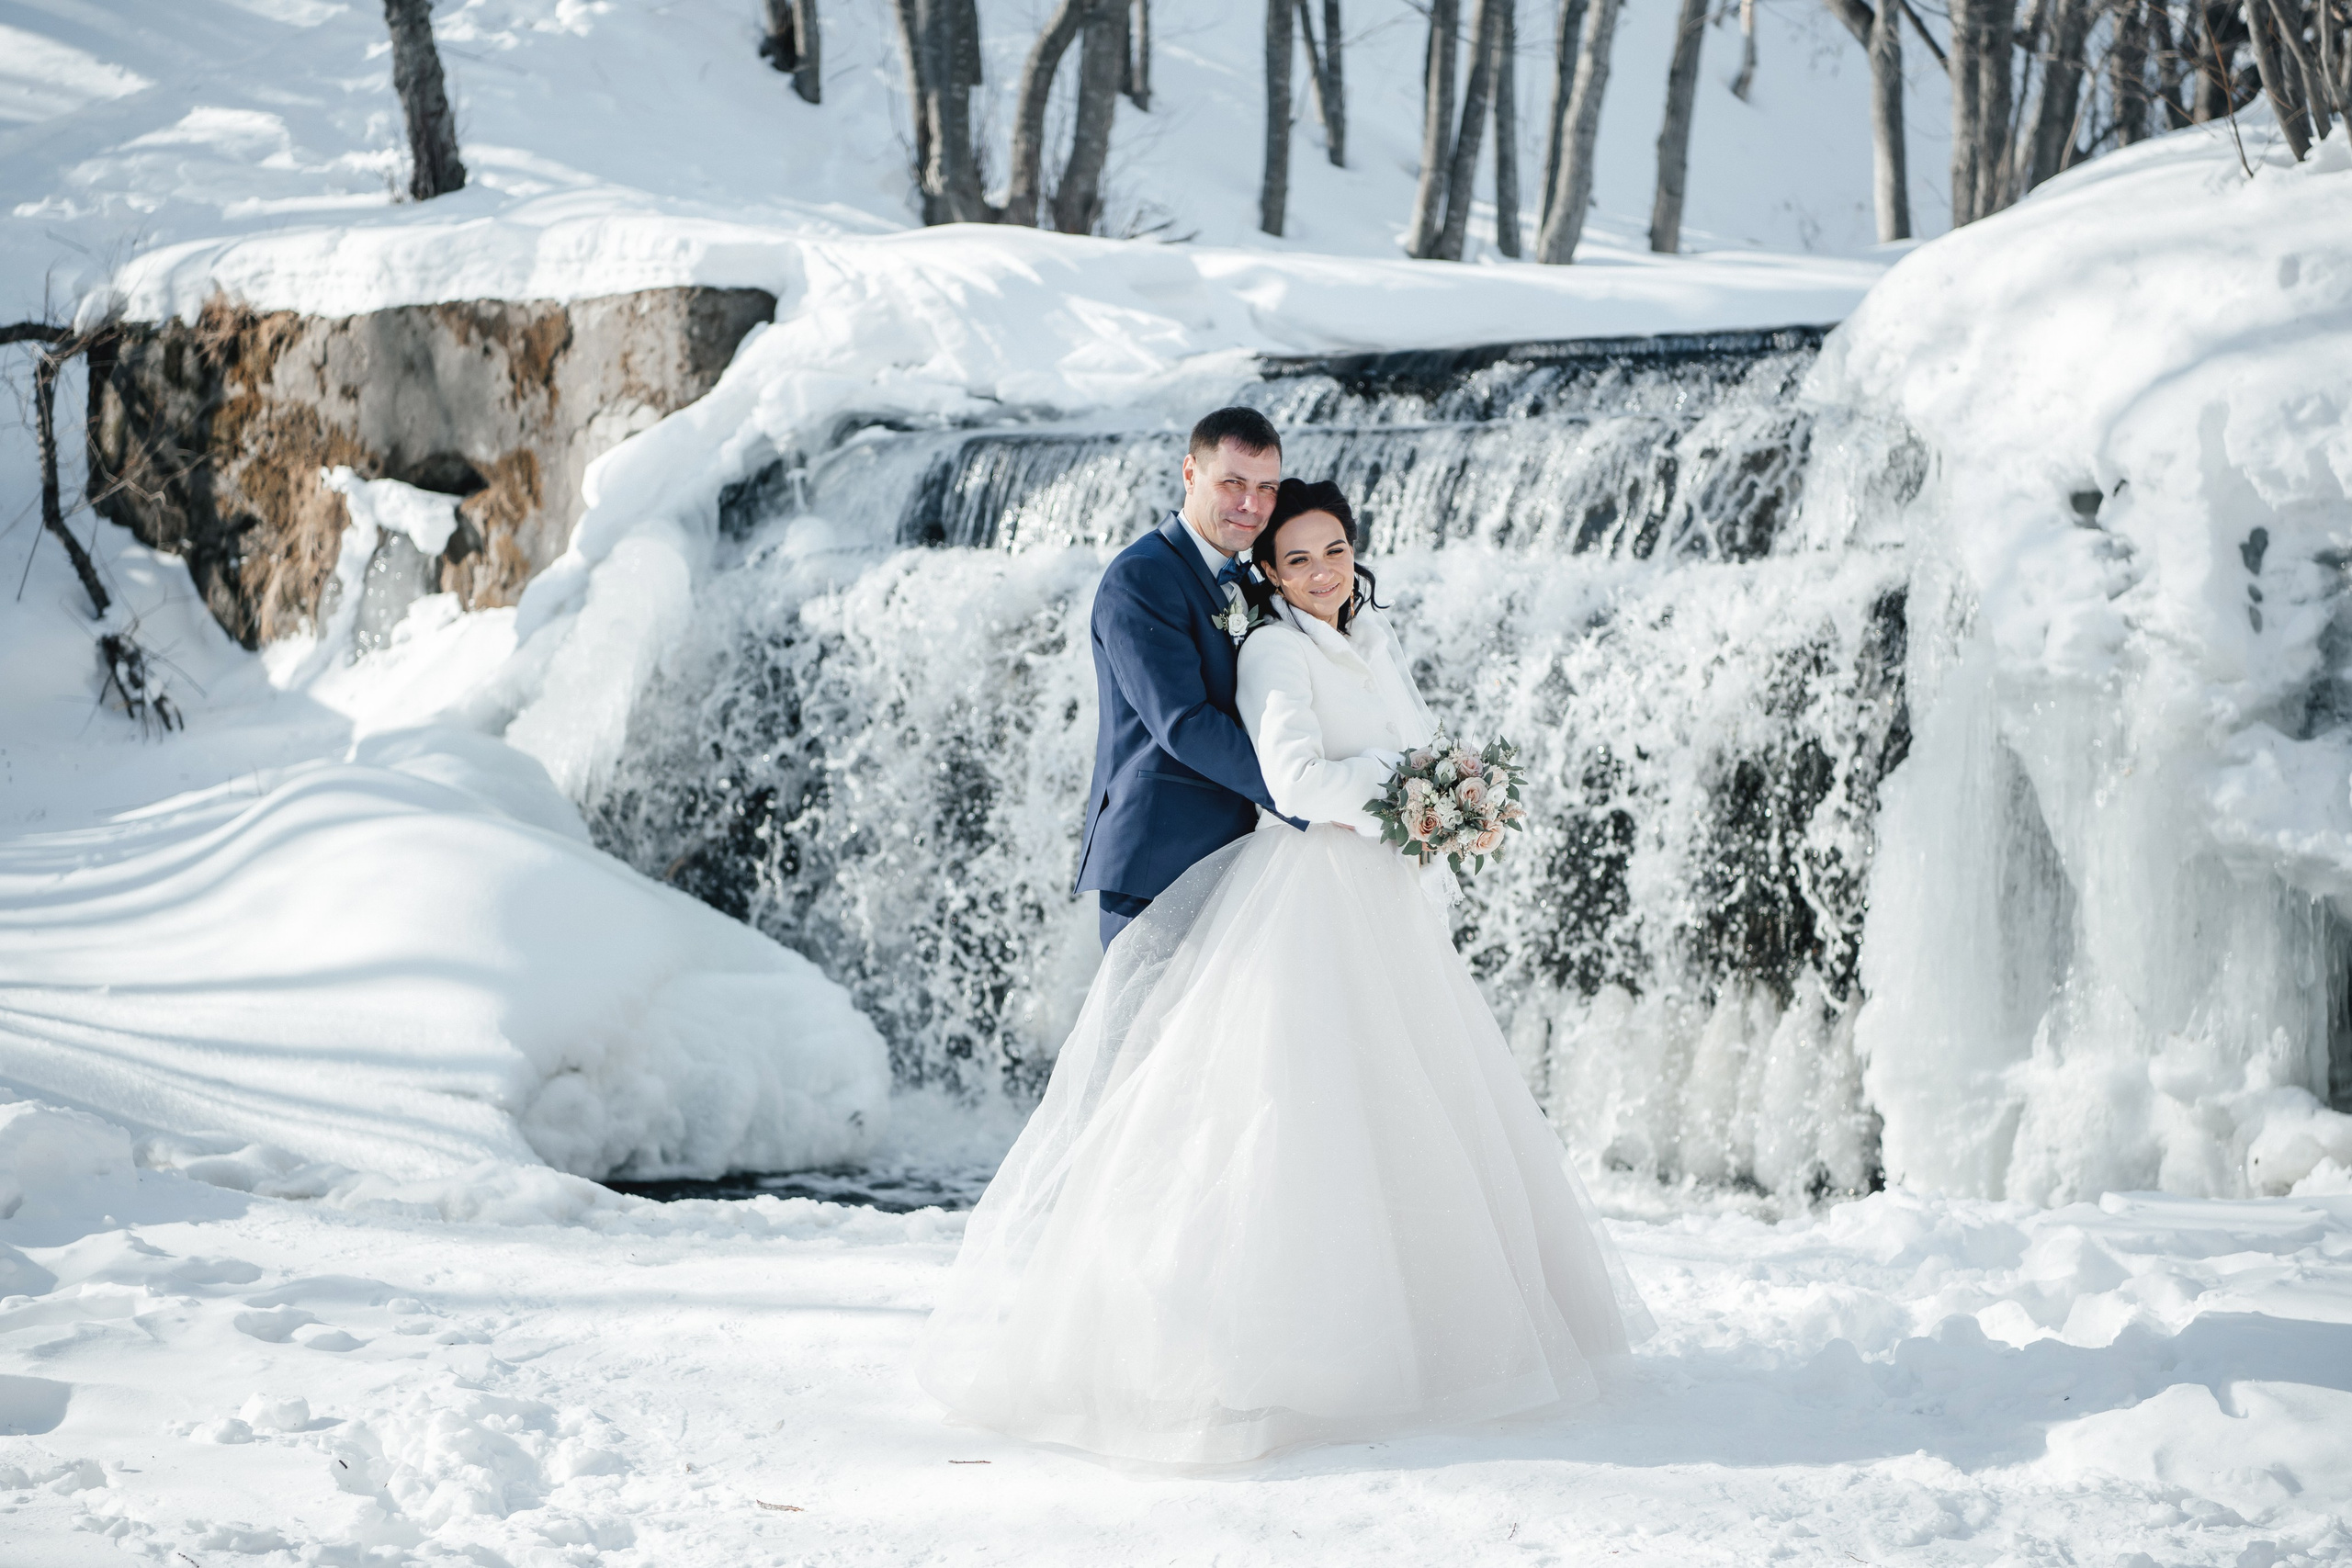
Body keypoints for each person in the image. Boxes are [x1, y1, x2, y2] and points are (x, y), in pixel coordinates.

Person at [918, 478, 1653, 1469]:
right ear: (1265, 570)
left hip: (1379, 896)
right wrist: (1415, 797)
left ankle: (1425, 1340)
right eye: (1296, 557)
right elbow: (1297, 778)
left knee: (1405, 1108)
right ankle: (1256, 1350)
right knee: (1290, 1115)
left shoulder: (1371, 636)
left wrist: (1448, 791)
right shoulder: (1270, 649)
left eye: (1334, 550)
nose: (1319, 572)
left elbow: (1413, 740)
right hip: (1310, 890)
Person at [1071, 407, 1295, 950]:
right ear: (1191, 473)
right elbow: (1185, 722)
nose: (1252, 505)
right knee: (1151, 1036)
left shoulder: (1244, 574)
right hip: (1160, 859)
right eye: (1233, 483)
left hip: (1232, 856)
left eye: (1267, 487)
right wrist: (1306, 793)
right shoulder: (1143, 575)